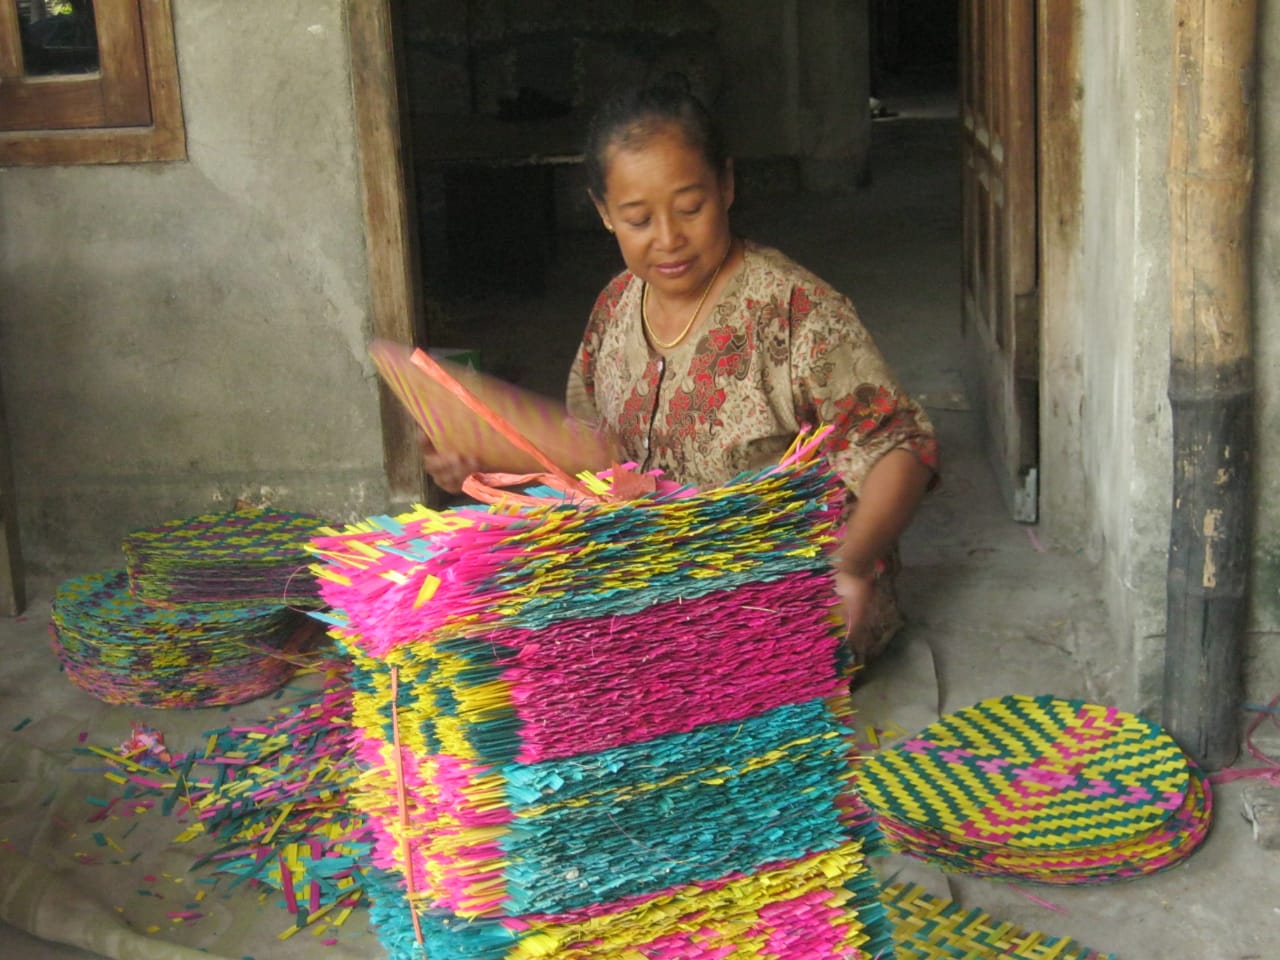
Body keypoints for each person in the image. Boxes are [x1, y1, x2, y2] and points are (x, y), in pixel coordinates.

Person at [424, 80, 938, 667]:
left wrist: (850, 567)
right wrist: (488, 462)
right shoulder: (616, 306)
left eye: (690, 208)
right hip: (660, 578)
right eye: (638, 219)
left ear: (727, 186)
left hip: (783, 590)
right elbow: (595, 454)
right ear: (603, 214)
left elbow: (902, 448)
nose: (668, 239)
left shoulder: (794, 312)